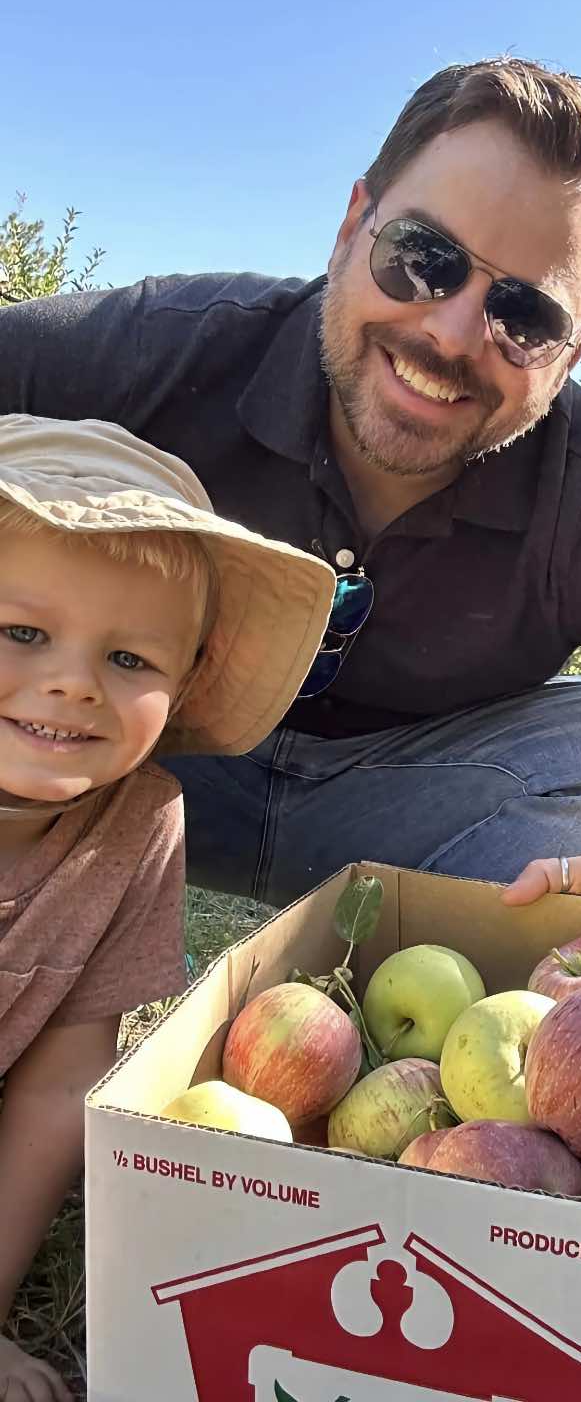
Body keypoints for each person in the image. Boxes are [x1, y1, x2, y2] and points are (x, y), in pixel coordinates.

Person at [0, 60, 581, 910]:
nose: (452, 333)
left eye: (525, 315)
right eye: (425, 258)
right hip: (140, 751)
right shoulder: (167, 350)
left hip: (413, 809)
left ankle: (385, 993)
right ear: (353, 227)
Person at [0, 413, 332, 1401]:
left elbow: (61, 1089)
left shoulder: (139, 821)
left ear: (186, 682)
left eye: (130, 660)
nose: (71, 681)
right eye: (21, 631)